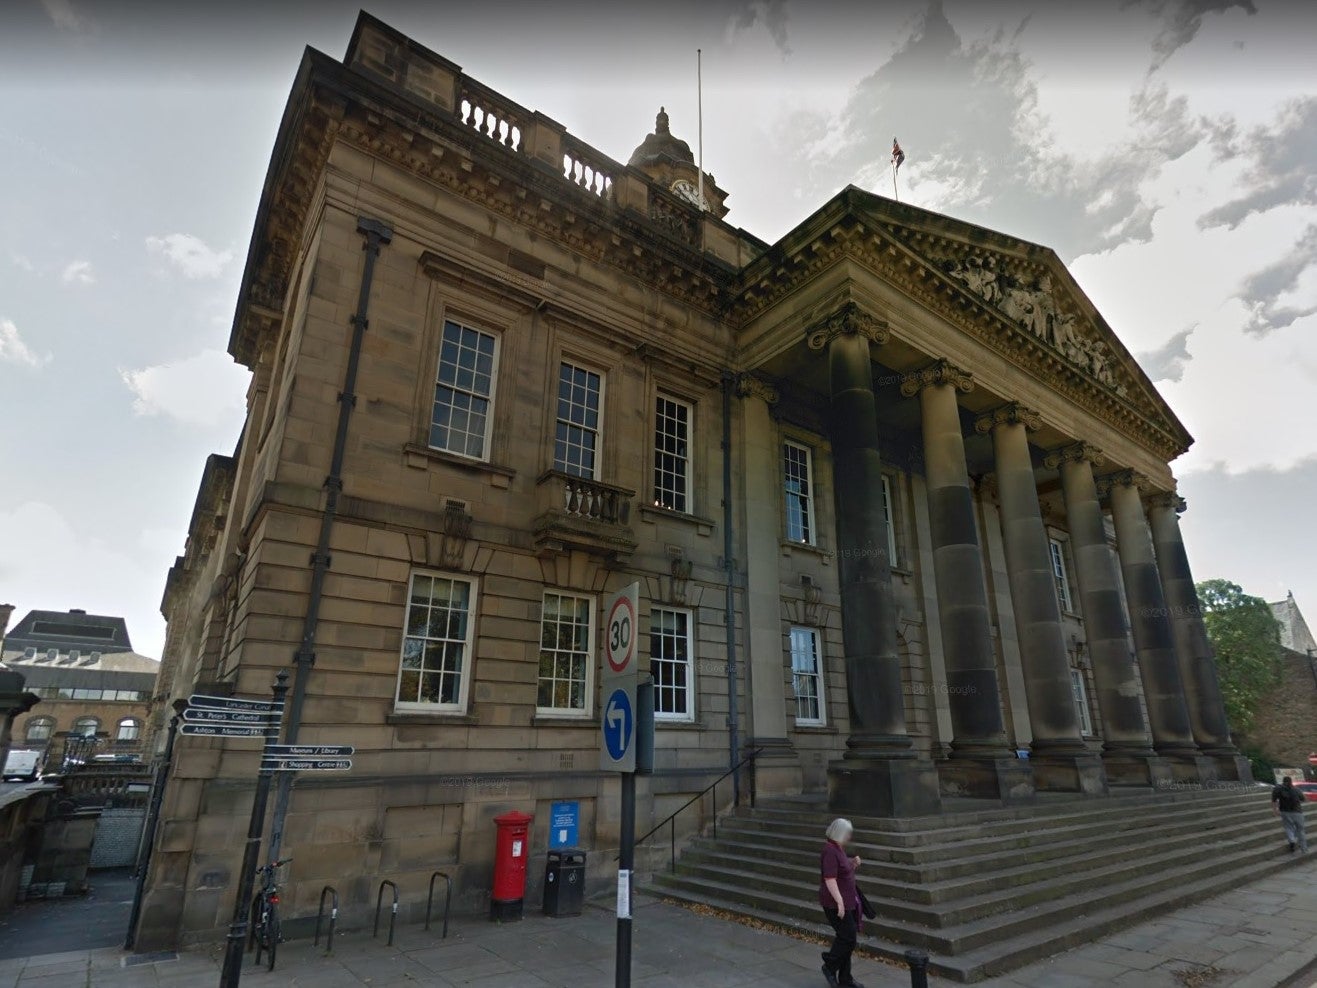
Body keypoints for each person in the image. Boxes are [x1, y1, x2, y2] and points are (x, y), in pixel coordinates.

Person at [819, 818, 865, 988]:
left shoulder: (837, 849)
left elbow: (841, 873)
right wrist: (839, 902)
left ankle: (845, 978)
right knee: (848, 937)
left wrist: (852, 864)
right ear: (839, 833)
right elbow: (830, 879)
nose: (849, 836)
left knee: (847, 938)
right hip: (835, 904)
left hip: (846, 902)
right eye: (847, 833)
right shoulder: (830, 850)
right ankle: (830, 966)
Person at [1272, 776, 1308, 853]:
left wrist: (1275, 810)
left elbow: (1274, 800)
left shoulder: (1278, 789)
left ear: (1283, 781)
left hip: (1285, 812)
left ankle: (1292, 840)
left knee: (1288, 827)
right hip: (1297, 812)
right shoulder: (1296, 789)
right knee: (1300, 830)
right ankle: (1304, 848)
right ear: (1291, 781)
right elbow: (1304, 799)